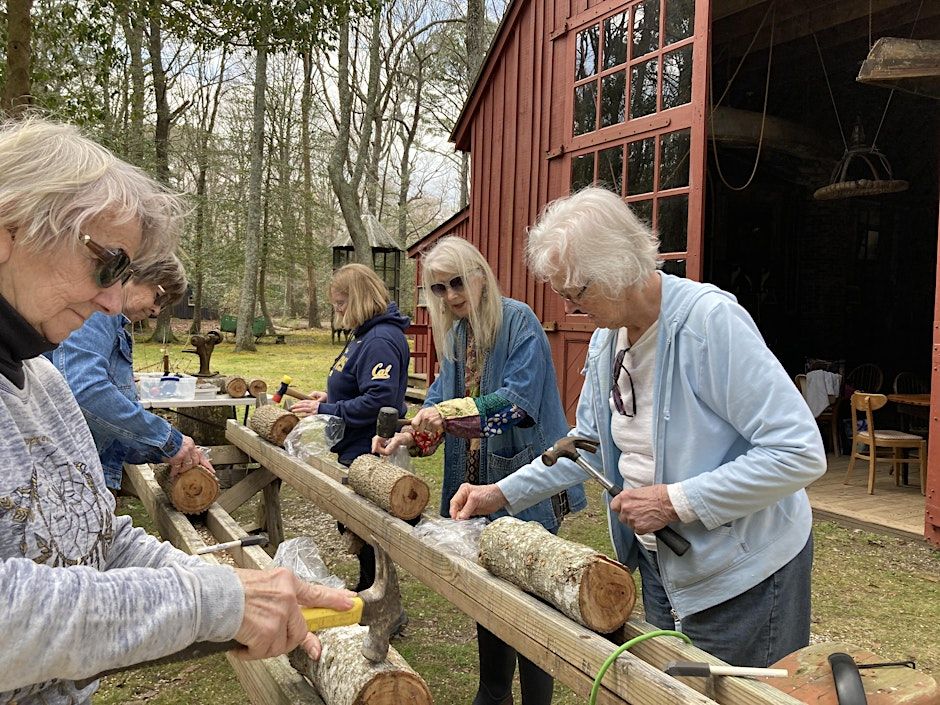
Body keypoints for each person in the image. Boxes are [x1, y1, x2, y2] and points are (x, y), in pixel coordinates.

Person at [0, 118, 353, 704]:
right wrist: (212, 603)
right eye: (106, 265)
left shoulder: (43, 382)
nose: (114, 300)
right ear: (9, 228)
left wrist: (227, 583)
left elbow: (94, 538)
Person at [449, 187, 827, 668]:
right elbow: (586, 449)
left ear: (618, 266)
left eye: (577, 292)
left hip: (743, 573)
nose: (570, 307)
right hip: (663, 567)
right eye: (562, 294)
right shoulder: (608, 340)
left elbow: (798, 453)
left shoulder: (709, 324)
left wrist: (673, 501)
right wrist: (499, 494)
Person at [372, 236, 586, 705]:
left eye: (457, 283)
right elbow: (434, 401)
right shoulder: (457, 333)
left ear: (479, 275)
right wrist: (410, 433)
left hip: (525, 482)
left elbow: (518, 404)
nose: (450, 296)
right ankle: (492, 691)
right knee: (488, 593)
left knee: (532, 600)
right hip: (472, 487)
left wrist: (446, 414)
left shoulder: (519, 321)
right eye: (439, 288)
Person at [290, 263, 410, 593]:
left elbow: (378, 401)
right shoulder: (365, 335)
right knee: (355, 524)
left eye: (341, 303)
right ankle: (371, 587)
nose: (339, 311)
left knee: (368, 526)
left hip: (367, 448)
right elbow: (359, 384)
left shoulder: (381, 340)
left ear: (358, 298)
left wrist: (325, 408)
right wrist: (332, 395)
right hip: (352, 445)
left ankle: (380, 597)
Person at [53, 254, 213, 493]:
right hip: (69, 478)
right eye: (158, 296)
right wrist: (167, 440)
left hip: (84, 473)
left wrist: (168, 449)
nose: (156, 311)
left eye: (163, 305)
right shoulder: (98, 313)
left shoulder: (114, 324)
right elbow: (84, 391)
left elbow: (110, 428)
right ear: (135, 274)